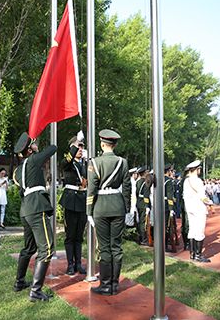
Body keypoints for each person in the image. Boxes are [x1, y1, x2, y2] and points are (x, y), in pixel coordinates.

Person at [12, 132, 57, 302]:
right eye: (33, 144)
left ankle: (19, 282)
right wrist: (37, 151)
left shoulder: (18, 171)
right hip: (37, 209)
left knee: (29, 248)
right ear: (29, 150)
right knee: (46, 250)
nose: (36, 145)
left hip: (26, 210)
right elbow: (53, 148)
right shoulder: (33, 160)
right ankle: (36, 291)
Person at [87, 129, 131, 296]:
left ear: (102, 144)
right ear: (115, 144)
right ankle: (114, 284)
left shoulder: (95, 162)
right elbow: (127, 188)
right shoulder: (123, 162)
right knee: (117, 247)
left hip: (100, 208)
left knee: (104, 248)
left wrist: (89, 212)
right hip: (118, 206)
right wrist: (126, 209)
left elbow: (91, 189)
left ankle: (105, 285)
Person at [59, 134, 87, 275]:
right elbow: (65, 163)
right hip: (70, 201)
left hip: (82, 201)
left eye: (82, 146)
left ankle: (78, 264)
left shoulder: (85, 164)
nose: (81, 149)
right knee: (70, 235)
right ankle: (70, 264)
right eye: (78, 147)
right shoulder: (68, 162)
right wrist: (75, 146)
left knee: (79, 235)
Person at [183, 160, 212, 263]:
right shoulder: (198, 181)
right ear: (196, 169)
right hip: (198, 208)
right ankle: (198, 255)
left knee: (192, 230)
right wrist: (210, 203)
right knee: (199, 231)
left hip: (190, 209)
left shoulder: (186, 181)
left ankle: (192, 254)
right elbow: (202, 197)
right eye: (199, 169)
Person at [135, 166, 150, 246]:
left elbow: (137, 193)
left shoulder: (138, 182)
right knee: (143, 222)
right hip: (144, 204)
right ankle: (144, 239)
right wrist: (147, 205)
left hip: (139, 203)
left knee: (140, 221)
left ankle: (141, 237)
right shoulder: (146, 182)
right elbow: (146, 195)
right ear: (144, 173)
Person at [164, 164, 177, 252]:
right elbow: (169, 196)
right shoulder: (168, 181)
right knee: (167, 226)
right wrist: (171, 208)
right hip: (166, 206)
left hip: (158, 205)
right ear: (168, 171)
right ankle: (165, 245)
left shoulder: (159, 179)